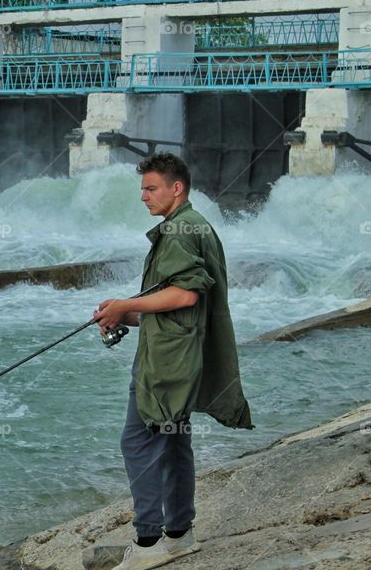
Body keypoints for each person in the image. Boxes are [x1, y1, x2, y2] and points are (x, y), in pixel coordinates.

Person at [92, 153, 253, 570]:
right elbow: (179, 301)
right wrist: (128, 313)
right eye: (142, 188)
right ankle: (180, 536)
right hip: (185, 353)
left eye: (151, 188)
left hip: (166, 363)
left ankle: (147, 544)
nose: (143, 196)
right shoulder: (196, 224)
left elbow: (186, 294)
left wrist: (128, 302)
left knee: (138, 440)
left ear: (175, 188)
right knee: (174, 439)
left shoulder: (179, 230)